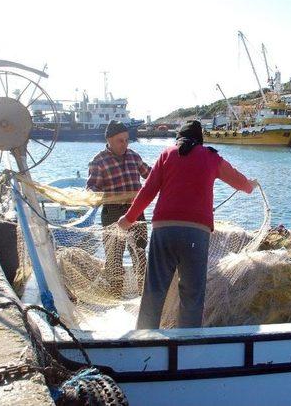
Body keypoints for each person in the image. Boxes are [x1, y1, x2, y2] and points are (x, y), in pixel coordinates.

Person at [118, 120, 257, 329]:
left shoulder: (167, 154)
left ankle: (145, 339)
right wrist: (250, 185)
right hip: (196, 234)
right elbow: (240, 182)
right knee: (192, 295)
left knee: (154, 290)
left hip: (164, 231)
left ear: (179, 139)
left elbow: (148, 191)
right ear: (199, 140)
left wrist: (128, 219)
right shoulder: (211, 157)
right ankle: (187, 345)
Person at [87, 120, 151, 296]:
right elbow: (92, 188)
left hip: (136, 212)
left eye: (126, 140)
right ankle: (114, 294)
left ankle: (142, 295)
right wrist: (96, 195)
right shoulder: (98, 161)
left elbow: (152, 176)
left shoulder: (134, 156)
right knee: (114, 258)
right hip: (112, 214)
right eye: (120, 140)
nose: (124, 144)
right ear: (109, 140)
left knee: (140, 254)